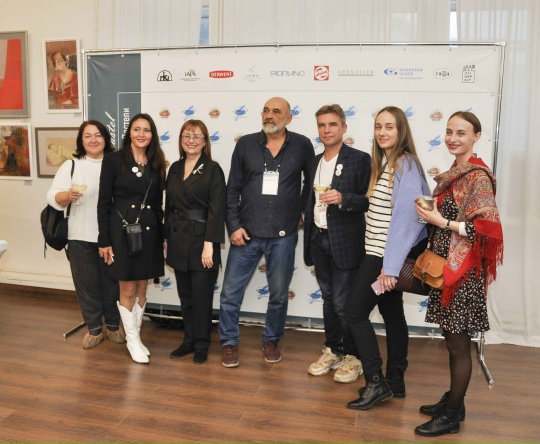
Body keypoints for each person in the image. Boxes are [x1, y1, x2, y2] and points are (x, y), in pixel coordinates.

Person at [414, 111, 503, 437]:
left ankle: (451, 415)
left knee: (458, 345)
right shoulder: (454, 173)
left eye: (461, 133)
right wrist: (429, 215)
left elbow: (485, 230)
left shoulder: (478, 177)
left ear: (476, 137)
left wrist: (441, 221)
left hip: (463, 274)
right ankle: (455, 400)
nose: (453, 138)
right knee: (453, 341)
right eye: (449, 131)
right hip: (446, 269)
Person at [219, 97, 314, 368]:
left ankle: (271, 339)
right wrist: (233, 226)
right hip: (246, 233)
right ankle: (229, 342)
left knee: (279, 295)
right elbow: (232, 189)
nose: (269, 115)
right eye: (266, 110)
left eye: (276, 111)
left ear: (289, 118)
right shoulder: (246, 144)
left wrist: (302, 212)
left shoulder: (302, 145)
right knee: (229, 294)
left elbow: (310, 184)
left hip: (283, 235)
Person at [345, 106, 430, 410]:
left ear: (401, 130)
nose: (382, 132)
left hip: (382, 258)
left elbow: (407, 221)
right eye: (379, 126)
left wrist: (390, 268)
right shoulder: (388, 164)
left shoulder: (404, 165)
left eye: (389, 127)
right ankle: (395, 380)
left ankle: (375, 382)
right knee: (393, 315)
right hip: (381, 255)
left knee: (354, 313)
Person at [303, 104, 371, 383]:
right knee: (329, 299)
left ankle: (354, 356)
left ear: (344, 127)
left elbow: (367, 201)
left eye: (332, 124)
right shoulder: (314, 162)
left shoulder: (359, 159)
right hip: (318, 239)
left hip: (344, 242)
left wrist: (343, 199)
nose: (326, 130)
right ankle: (333, 349)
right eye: (322, 125)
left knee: (344, 303)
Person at [47, 120, 123, 349]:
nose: (93, 140)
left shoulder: (116, 163)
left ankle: (113, 325)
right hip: (79, 236)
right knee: (87, 286)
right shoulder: (71, 165)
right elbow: (52, 197)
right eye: (87, 136)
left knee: (112, 284)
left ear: (105, 138)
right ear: (81, 141)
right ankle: (94, 329)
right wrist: (67, 196)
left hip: (110, 237)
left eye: (98, 135)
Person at [98, 113, 166, 364]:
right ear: (129, 133)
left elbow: (157, 204)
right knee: (127, 287)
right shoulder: (113, 160)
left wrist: (162, 236)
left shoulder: (157, 162)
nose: (141, 134)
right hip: (122, 232)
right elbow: (104, 202)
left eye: (146, 130)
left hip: (149, 233)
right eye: (137, 129)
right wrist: (104, 240)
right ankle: (132, 340)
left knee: (142, 286)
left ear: (152, 135)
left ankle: (136, 336)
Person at [165, 119, 226, 365]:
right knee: (186, 296)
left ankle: (202, 344)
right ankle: (188, 341)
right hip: (178, 240)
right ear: (181, 140)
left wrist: (210, 244)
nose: (191, 141)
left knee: (201, 298)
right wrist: (165, 239)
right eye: (187, 136)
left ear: (205, 141)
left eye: (197, 136)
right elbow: (169, 208)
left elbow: (217, 210)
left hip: (203, 242)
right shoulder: (174, 168)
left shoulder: (212, 169)